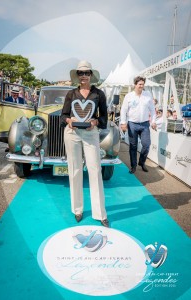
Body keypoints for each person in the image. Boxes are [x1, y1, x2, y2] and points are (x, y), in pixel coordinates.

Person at [61, 60, 109, 227]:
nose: (83, 76)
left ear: (91, 75)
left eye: (86, 73)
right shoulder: (71, 94)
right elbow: (63, 115)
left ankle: (100, 213)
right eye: (80, 73)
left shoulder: (99, 94)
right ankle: (77, 209)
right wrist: (69, 120)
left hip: (90, 134)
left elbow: (104, 116)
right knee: (74, 170)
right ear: (77, 75)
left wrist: (95, 122)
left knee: (95, 171)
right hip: (72, 133)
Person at [120, 76, 156, 174]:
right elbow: (123, 110)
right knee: (133, 146)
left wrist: (153, 121)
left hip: (144, 124)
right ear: (135, 85)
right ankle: (133, 166)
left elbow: (152, 110)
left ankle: (142, 162)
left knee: (146, 144)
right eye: (139, 84)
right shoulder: (129, 96)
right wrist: (123, 123)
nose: (141, 86)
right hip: (132, 124)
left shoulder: (148, 95)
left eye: (143, 84)